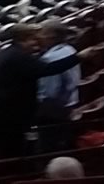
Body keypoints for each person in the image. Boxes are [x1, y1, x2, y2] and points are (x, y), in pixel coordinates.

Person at [0, 23, 84, 157]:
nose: (37, 43)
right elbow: (48, 69)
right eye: (34, 40)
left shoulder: (9, 53)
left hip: (5, 110)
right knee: (10, 150)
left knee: (11, 148)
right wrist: (79, 57)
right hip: (8, 114)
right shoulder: (18, 57)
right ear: (23, 39)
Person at [34, 19, 81, 152]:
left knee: (48, 144)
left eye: (41, 33)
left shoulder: (49, 59)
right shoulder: (70, 49)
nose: (37, 37)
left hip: (53, 109)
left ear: (51, 37)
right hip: (69, 102)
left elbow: (50, 92)